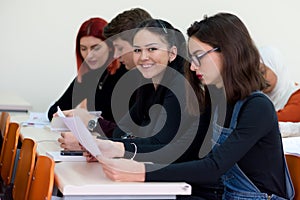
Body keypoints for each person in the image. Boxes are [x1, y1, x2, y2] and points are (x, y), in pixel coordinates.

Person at [91, 13, 294, 200]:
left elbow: (213, 166)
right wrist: (118, 148)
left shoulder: (257, 107)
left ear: (227, 52)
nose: (192, 65)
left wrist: (140, 171)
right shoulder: (215, 101)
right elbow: (183, 151)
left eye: (198, 56)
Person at [59, 19, 204, 166]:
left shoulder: (181, 86)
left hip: (176, 180)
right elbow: (120, 132)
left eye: (152, 49)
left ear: (172, 53)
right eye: (137, 50)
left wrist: (91, 143)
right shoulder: (147, 83)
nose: (143, 57)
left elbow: (158, 144)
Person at [259, 46, 300, 122]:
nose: (259, 79)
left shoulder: (297, 94)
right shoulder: (259, 98)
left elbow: (282, 119)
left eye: (262, 72)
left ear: (277, 68)